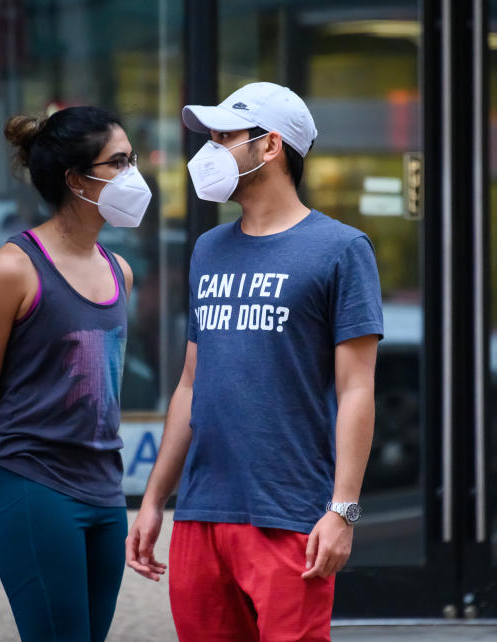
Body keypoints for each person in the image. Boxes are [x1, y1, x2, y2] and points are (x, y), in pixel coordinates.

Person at [126, 82, 383, 642]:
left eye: (225, 136)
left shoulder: (341, 249)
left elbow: (358, 390)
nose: (210, 150)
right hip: (201, 513)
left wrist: (343, 512)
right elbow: (191, 385)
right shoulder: (208, 249)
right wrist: (152, 501)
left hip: (289, 514)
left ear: (270, 147)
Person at [0, 106, 151, 642]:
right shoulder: (13, 269)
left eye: (131, 160)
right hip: (32, 483)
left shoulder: (120, 271)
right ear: (76, 180)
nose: (134, 174)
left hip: (105, 493)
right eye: (119, 162)